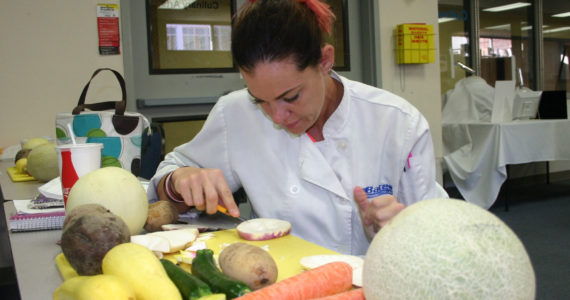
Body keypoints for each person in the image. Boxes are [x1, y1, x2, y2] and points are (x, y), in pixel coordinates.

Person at [148, 0, 448, 256]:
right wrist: (179, 180)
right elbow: (168, 176)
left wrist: (403, 228)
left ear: (325, 61)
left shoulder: (396, 123)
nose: (277, 116)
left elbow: (441, 235)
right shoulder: (235, 113)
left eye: (290, 97)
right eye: (260, 100)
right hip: (278, 282)